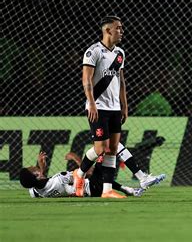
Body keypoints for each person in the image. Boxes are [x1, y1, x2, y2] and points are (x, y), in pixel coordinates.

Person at [74, 15, 128, 198]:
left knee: (112, 148)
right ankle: (79, 174)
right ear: (107, 30)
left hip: (114, 108)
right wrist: (90, 102)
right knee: (100, 149)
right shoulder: (93, 51)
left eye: (121, 28)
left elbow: (120, 80)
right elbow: (86, 79)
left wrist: (124, 106)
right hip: (97, 106)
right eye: (118, 28)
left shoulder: (120, 53)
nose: (121, 31)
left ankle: (107, 191)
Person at [19, 150, 165, 198]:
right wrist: (74, 157)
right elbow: (86, 172)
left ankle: (132, 190)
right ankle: (142, 178)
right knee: (107, 149)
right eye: (33, 168)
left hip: (91, 189)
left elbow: (38, 184)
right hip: (91, 187)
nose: (33, 166)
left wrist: (41, 170)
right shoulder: (60, 179)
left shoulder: (35, 191)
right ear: (36, 175)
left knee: (109, 154)